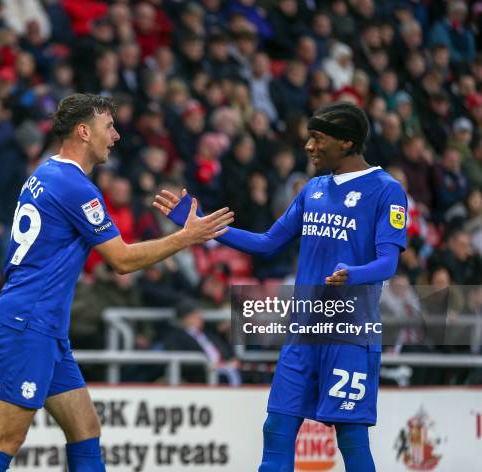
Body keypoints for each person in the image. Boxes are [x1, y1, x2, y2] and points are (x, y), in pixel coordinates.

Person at [0, 93, 234, 472]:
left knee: (85, 430)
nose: (116, 135)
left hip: (43, 327)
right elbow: (121, 260)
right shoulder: (76, 187)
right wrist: (185, 238)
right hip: (28, 324)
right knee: (4, 439)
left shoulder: (44, 173)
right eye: (108, 126)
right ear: (82, 131)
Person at [154, 102, 407, 472]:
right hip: (303, 331)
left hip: (349, 334)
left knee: (350, 436)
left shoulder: (387, 191)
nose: (308, 146)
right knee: (277, 426)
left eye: (318, 139)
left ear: (347, 142)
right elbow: (268, 242)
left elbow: (389, 262)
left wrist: (352, 273)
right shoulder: (314, 189)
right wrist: (202, 229)